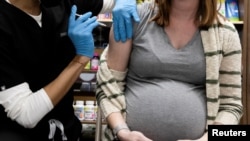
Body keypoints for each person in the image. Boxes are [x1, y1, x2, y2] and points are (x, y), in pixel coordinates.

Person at [96, 0, 244, 141]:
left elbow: (231, 106)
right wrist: (122, 132)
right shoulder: (132, 18)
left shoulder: (225, 33)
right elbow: (109, 85)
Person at [0, 0, 139, 140]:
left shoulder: (63, 3)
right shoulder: (4, 23)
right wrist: (80, 59)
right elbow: (25, 113)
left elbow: (112, 3)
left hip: (66, 130)